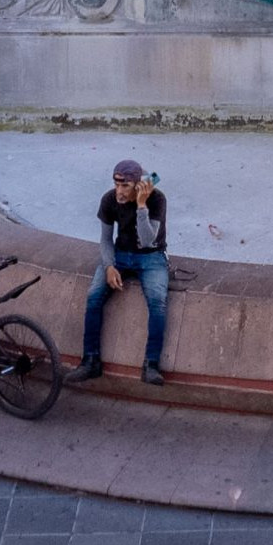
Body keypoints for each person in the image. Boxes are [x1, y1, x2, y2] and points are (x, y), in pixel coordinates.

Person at [74, 160, 170, 386]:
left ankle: (151, 364)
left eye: (125, 186)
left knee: (158, 302)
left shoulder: (157, 199)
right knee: (94, 296)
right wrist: (109, 266)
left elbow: (148, 241)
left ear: (138, 185)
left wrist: (141, 206)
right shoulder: (109, 200)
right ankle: (90, 360)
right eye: (116, 184)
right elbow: (106, 239)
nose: (119, 191)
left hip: (152, 256)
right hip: (120, 254)